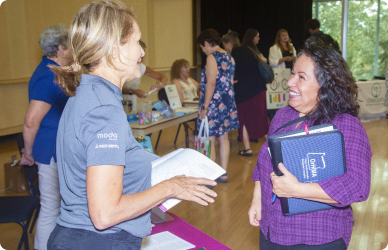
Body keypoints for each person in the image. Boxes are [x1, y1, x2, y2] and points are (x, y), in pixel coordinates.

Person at [47, 1, 217, 249]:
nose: (142, 52)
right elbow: (105, 214)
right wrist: (170, 186)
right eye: (137, 42)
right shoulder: (104, 110)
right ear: (114, 47)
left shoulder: (88, 93)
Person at [248, 41, 372, 249]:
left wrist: (298, 189)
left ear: (325, 86)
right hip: (271, 230)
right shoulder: (282, 115)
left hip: (317, 237)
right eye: (293, 74)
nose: (290, 82)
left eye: (301, 77)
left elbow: (357, 185)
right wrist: (257, 199)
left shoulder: (345, 125)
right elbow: (264, 160)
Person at [21, 23, 72, 250]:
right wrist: (28, 152)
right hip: (50, 151)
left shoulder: (54, 70)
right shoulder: (48, 76)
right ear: (61, 49)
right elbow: (31, 121)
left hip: (56, 149)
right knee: (51, 207)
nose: (74, 50)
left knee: (59, 206)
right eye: (71, 46)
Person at [196, 29, 239, 183]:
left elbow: (211, 83)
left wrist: (205, 107)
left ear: (207, 43)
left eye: (202, 46)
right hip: (227, 102)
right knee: (224, 137)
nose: (202, 49)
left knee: (209, 137)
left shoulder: (211, 57)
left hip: (214, 103)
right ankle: (223, 172)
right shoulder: (229, 57)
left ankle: (210, 175)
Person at [231, 29, 269, 157]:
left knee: (243, 120)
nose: (258, 39)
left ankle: (247, 149)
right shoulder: (253, 51)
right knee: (262, 118)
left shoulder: (236, 53)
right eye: (257, 37)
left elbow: (235, 75)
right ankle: (272, 147)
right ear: (252, 38)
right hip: (259, 89)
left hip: (244, 91)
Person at [122, 41, 168, 111]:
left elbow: (164, 77)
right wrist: (134, 91)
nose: (142, 57)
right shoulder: (121, 66)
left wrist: (160, 85)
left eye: (143, 54)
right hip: (118, 103)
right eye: (140, 54)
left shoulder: (142, 67)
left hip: (131, 103)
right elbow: (114, 88)